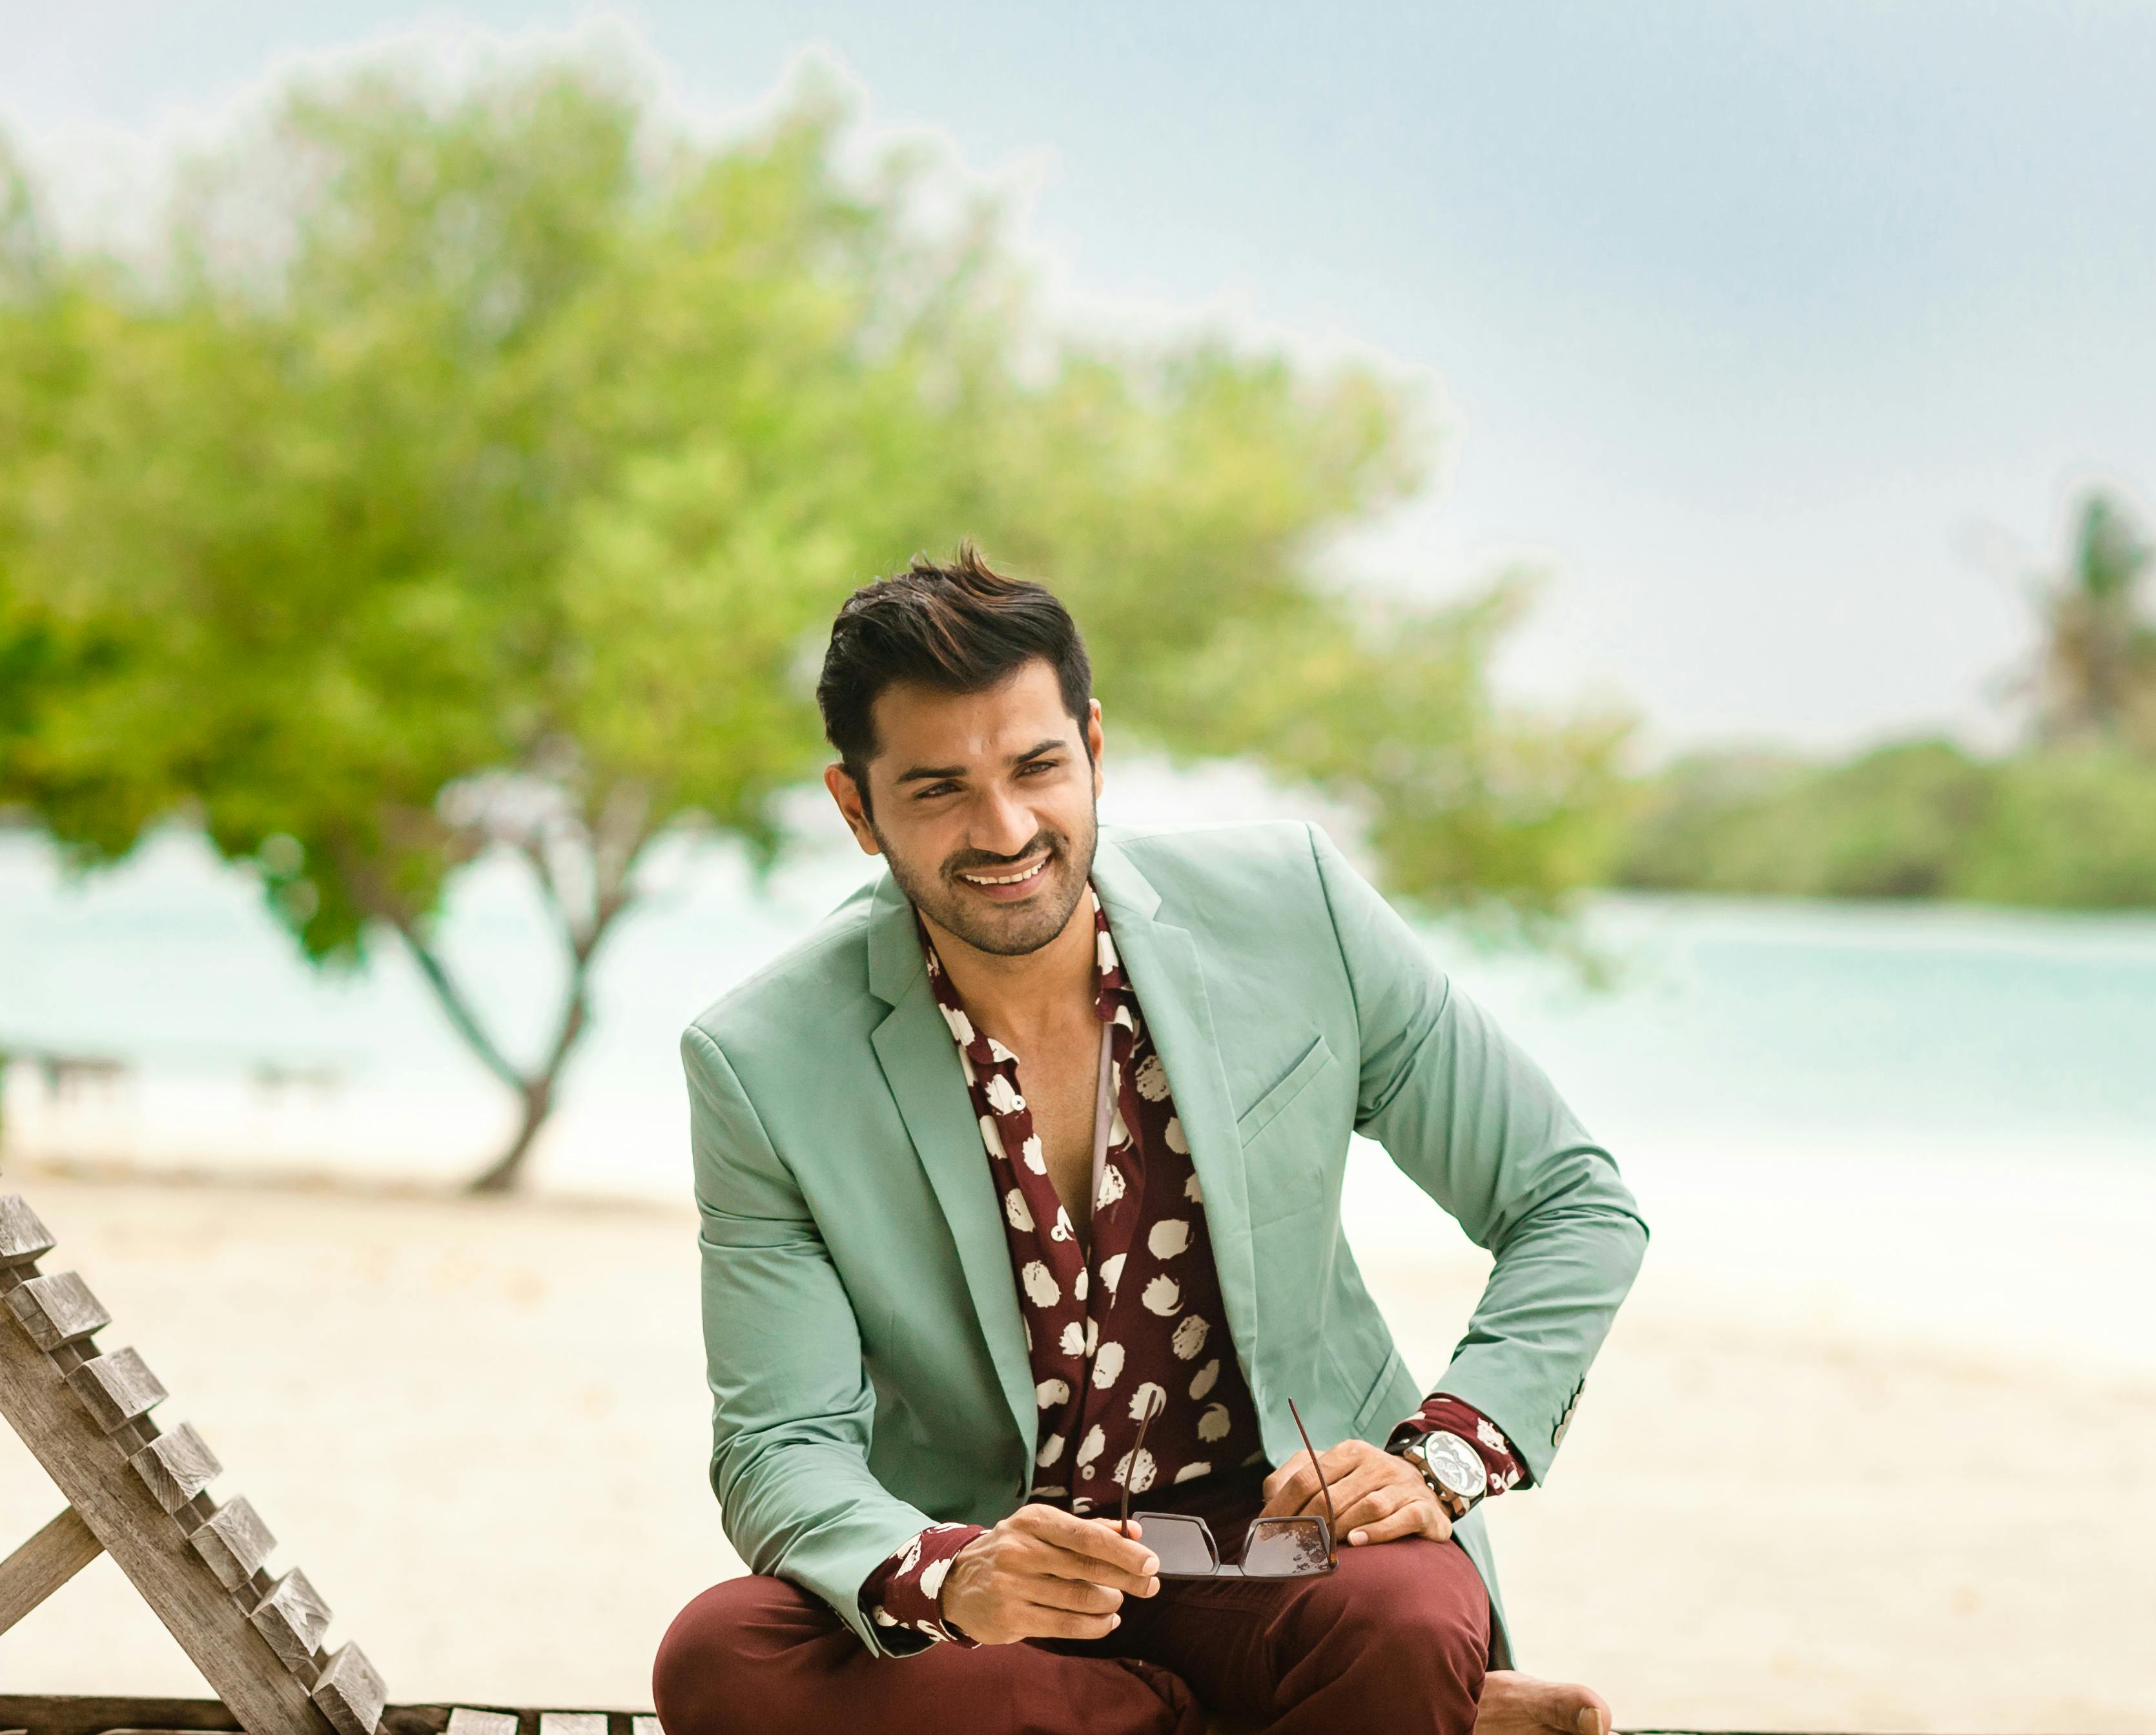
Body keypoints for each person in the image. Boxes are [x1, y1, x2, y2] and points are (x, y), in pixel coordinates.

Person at [653, 546, 1648, 1735]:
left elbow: (1568, 1201)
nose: (1005, 828)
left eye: (1037, 767)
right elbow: (781, 1442)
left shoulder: (1296, 910)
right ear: (856, 809)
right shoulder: (764, 1061)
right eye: (937, 790)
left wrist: (1441, 1455)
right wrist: (949, 1577)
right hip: (998, 1578)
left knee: (1406, 1616)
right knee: (723, 1655)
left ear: (1094, 748)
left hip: (1272, 1546)